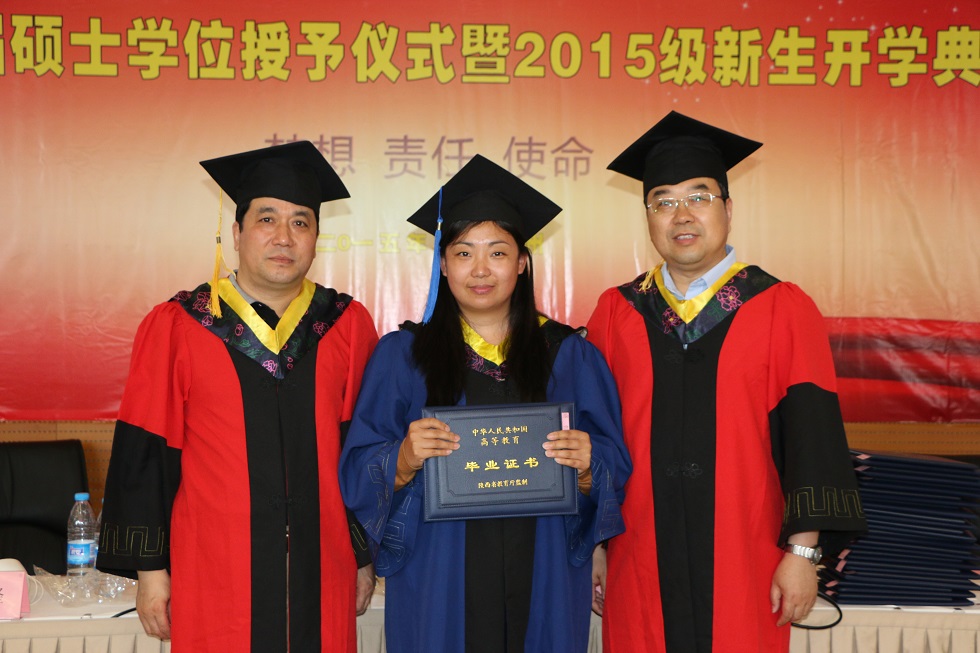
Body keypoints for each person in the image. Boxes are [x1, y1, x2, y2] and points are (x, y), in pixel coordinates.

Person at [587, 112, 867, 653]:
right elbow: (597, 437)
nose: (682, 215)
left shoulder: (782, 307)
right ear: (648, 218)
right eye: (664, 201)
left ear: (728, 209)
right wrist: (595, 544)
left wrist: (803, 554)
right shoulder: (616, 313)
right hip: (638, 555)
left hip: (748, 554)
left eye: (699, 197)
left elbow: (814, 439)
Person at [339, 155, 631, 653]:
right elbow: (356, 468)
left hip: (545, 575)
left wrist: (588, 467)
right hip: (437, 578)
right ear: (443, 264)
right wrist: (402, 459)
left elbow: (614, 467)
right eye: (463, 252)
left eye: (497, 252)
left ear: (521, 263)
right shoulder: (402, 356)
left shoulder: (571, 356)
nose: (480, 269)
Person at [97, 141, 379, 652]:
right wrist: (151, 571)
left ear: (316, 238)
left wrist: (362, 554)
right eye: (266, 219)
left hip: (323, 566)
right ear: (237, 233)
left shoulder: (346, 325)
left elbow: (361, 452)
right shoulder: (180, 325)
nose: (283, 237)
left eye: (300, 222)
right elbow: (146, 453)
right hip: (215, 569)